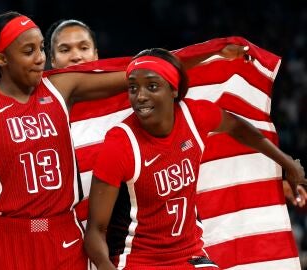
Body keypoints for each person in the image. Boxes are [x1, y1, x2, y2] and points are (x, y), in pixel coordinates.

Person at [83, 48, 306, 269]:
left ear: (174, 90)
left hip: (189, 253)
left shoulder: (195, 115)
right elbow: (95, 230)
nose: (140, 96)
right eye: (133, 87)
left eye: (152, 86)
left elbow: (239, 128)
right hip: (140, 259)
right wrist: (104, 266)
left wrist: (288, 163)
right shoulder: (120, 143)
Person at [0, 11, 128, 270]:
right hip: (10, 237)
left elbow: (135, 75)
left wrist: (189, 61)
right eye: (29, 51)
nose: (40, 58)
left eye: (42, 48)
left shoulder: (61, 86)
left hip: (65, 233)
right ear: (2, 59)